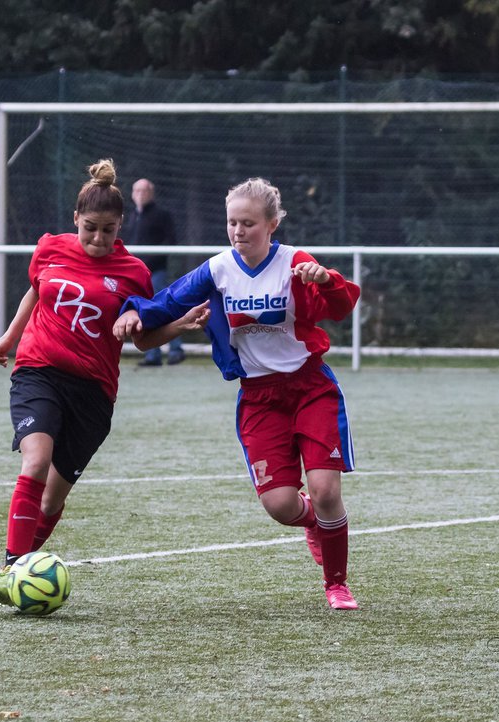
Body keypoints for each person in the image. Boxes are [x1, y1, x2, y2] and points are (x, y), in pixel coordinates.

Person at [113, 177, 363, 610]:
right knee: (281, 505)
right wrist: (132, 313)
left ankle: (336, 583)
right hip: (259, 398)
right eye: (232, 222)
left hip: (310, 388)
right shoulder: (218, 270)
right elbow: (169, 301)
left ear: (271, 224)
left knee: (326, 490)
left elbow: (340, 307)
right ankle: (310, 521)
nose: (238, 231)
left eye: (248, 223)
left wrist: (325, 280)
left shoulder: (295, 263)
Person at [0, 159, 206, 605]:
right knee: (35, 462)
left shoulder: (134, 273)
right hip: (39, 371)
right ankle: (12, 570)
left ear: (121, 225)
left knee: (50, 503)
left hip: (94, 393)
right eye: (89, 229)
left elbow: (142, 340)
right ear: (75, 221)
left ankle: (23, 567)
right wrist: (10, 337)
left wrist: (176, 325)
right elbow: (35, 289)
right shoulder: (49, 248)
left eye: (107, 230)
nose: (98, 239)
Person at [122, 177, 184, 366]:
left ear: (151, 193)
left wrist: (151, 260)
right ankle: (152, 354)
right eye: (137, 191)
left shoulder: (161, 214)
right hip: (136, 274)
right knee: (142, 312)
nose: (140, 194)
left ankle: (176, 350)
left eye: (144, 191)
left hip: (156, 272)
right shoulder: (132, 216)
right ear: (132, 194)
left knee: (163, 309)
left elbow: (171, 241)